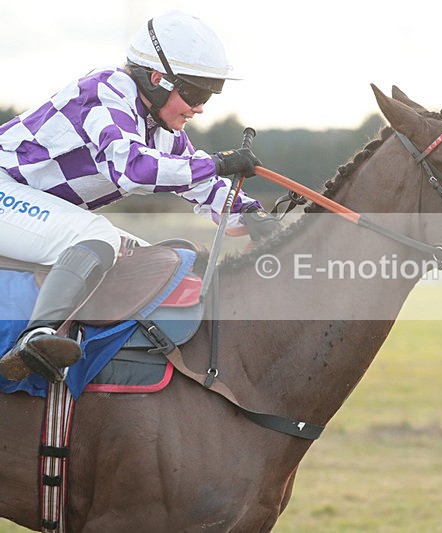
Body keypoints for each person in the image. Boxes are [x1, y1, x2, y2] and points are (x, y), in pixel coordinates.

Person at [0, 11, 275, 383]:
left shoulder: (160, 127)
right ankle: (36, 338)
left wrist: (254, 215)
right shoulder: (105, 91)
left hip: (26, 205)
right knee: (95, 237)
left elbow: (199, 182)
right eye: (195, 93)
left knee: (152, 262)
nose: (200, 107)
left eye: (209, 94)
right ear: (158, 79)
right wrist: (219, 162)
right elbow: (133, 170)